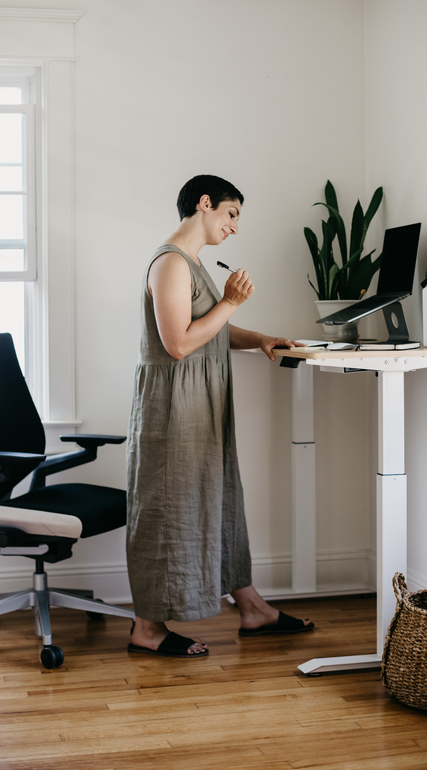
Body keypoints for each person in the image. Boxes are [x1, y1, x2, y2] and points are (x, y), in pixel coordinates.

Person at [126, 174, 314, 657]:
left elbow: (209, 327)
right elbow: (179, 342)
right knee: (170, 511)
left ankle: (251, 607)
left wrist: (260, 338)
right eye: (231, 214)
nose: (234, 227)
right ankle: (146, 629)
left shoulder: (192, 264)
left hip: (202, 405)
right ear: (204, 204)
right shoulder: (170, 263)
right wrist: (231, 301)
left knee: (220, 501)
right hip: (173, 411)